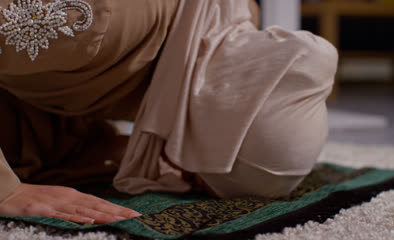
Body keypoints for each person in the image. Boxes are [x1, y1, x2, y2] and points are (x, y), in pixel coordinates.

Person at [0, 0, 337, 224]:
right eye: (194, 178)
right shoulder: (94, 24)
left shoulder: (223, 27)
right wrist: (7, 189)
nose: (172, 172)